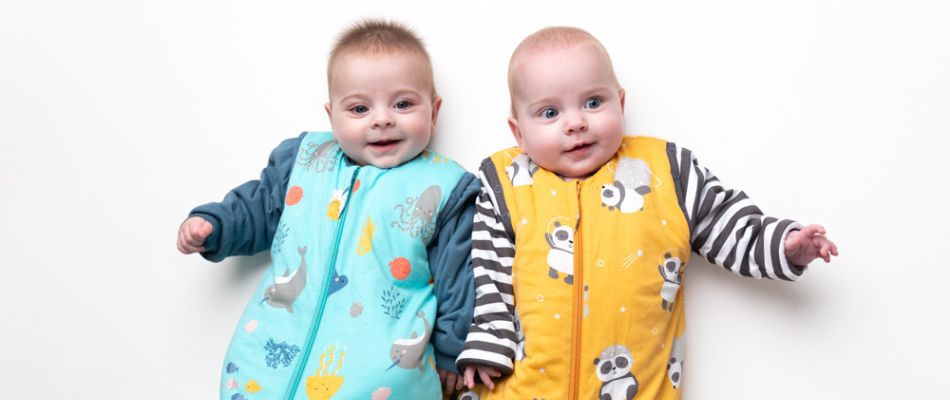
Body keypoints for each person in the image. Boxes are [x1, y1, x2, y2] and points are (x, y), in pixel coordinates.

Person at [454, 26, 838, 400]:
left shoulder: (665, 172)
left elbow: (728, 223)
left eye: (593, 102)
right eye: (550, 112)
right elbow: (488, 271)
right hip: (521, 389)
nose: (576, 123)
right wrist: (488, 340)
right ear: (518, 132)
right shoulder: (505, 183)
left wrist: (785, 245)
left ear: (620, 104)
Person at [176, 19, 478, 399]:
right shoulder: (303, 161)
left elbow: (459, 277)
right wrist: (214, 224)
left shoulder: (445, 188)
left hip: (382, 378)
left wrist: (454, 349)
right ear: (331, 115)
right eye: (358, 108)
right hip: (271, 361)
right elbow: (259, 207)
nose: (382, 118)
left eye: (403, 104)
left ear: (433, 112)